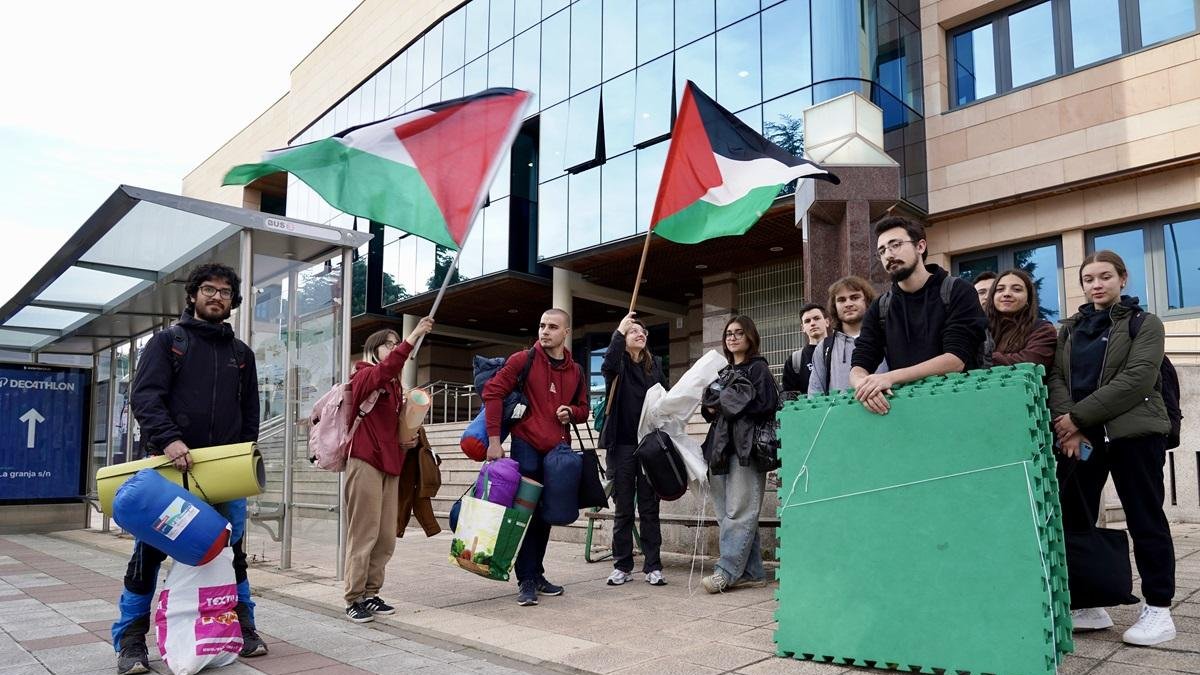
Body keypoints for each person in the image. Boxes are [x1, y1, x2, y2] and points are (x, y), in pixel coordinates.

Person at [114, 264, 265, 675]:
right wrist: (169, 439)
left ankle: (243, 625)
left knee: (232, 551)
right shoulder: (168, 342)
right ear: (193, 295)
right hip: (169, 470)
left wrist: (241, 457)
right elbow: (145, 396)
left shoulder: (242, 355)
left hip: (223, 473)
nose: (216, 297)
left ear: (233, 301)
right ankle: (130, 640)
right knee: (148, 554)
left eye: (224, 292)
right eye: (208, 290)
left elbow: (250, 413)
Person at [1047, 250, 1177, 646]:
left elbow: (1138, 378)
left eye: (1105, 276)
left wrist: (1076, 418)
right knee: (1078, 516)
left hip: (1133, 438)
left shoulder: (1145, 323)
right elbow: (1056, 378)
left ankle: (1158, 608)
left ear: (1123, 279)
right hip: (1085, 442)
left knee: (1144, 518)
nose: (1096, 284)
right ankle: (1093, 602)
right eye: (1089, 279)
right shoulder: (1068, 329)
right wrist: (1069, 427)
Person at [482, 308, 590, 606]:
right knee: (524, 515)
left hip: (557, 454)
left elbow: (584, 409)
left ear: (565, 333)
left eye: (553, 327)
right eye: (542, 325)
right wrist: (493, 441)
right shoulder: (523, 359)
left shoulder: (576, 371)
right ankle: (525, 578)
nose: (545, 331)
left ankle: (535, 574)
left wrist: (571, 412)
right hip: (526, 446)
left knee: (545, 515)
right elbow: (492, 393)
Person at [343, 319, 435, 623]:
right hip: (365, 459)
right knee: (364, 532)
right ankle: (354, 597)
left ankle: (371, 593)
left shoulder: (395, 387)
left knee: (385, 535)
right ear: (373, 349)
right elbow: (386, 369)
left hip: (390, 462)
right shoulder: (364, 375)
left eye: (397, 343)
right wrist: (415, 335)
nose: (395, 348)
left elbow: (392, 427)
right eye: (389, 344)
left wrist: (406, 440)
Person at [849, 216, 988, 415]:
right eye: (882, 251)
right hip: (907, 414)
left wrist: (889, 377)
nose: (888, 254)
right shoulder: (880, 306)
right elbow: (860, 362)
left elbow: (955, 360)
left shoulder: (958, 290)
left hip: (960, 408)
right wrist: (864, 387)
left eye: (895, 245)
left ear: (920, 246)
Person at [701, 315, 779, 593]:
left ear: (750, 337)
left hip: (747, 449)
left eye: (739, 333)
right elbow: (707, 405)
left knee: (740, 513)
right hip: (720, 449)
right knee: (728, 515)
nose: (732, 337)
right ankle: (753, 572)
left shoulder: (758, 369)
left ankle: (726, 571)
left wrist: (724, 401)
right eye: (728, 334)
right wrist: (724, 401)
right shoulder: (722, 373)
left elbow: (766, 404)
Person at [600, 312, 668, 587]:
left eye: (642, 331)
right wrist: (619, 331)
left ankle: (653, 565)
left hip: (650, 445)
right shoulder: (618, 367)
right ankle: (622, 565)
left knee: (650, 508)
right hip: (622, 445)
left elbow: (665, 399)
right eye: (633, 331)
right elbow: (608, 363)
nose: (639, 333)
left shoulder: (656, 366)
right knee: (624, 509)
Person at [808, 276, 887, 395]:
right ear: (834, 306)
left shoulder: (887, 338)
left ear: (867, 301)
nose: (848, 304)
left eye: (854, 297)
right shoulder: (824, 347)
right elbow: (815, 393)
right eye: (841, 300)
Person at [986, 268, 1056, 370]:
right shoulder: (981, 330)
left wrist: (984, 358)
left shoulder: (1042, 330)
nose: (1006, 294)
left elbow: (1030, 362)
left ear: (1028, 298)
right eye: (1000, 289)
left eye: (1017, 289)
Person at [782, 303, 829, 396]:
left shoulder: (841, 350)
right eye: (807, 321)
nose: (812, 323)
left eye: (817, 318)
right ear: (803, 328)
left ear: (827, 322)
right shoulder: (795, 360)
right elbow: (789, 396)